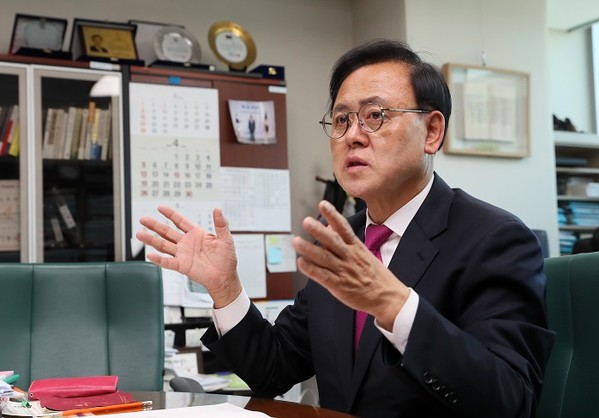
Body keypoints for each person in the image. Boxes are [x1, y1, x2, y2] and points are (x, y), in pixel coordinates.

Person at [137, 39, 554, 418]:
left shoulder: (495, 238)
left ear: (432, 131)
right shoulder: (340, 240)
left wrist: (395, 305)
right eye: (340, 120)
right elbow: (273, 369)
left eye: (375, 116)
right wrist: (226, 288)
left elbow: (511, 401)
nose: (352, 135)